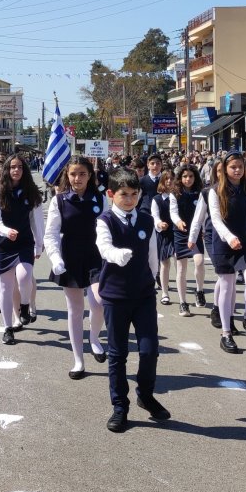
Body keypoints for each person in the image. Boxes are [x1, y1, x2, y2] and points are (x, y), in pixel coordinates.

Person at [95, 167, 167, 432]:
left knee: (149, 350)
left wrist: (154, 278)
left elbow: (152, 254)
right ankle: (119, 406)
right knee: (118, 354)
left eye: (134, 194)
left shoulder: (146, 220)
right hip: (116, 296)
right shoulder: (105, 220)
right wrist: (116, 255)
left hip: (144, 294)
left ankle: (145, 395)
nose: (129, 199)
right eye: (124, 194)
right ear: (112, 194)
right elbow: (103, 247)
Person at [43, 156, 107, 379]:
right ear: (67, 176)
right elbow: (50, 234)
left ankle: (95, 338)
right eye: (73, 174)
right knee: (75, 310)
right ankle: (78, 359)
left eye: (82, 174)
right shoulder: (58, 200)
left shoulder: (100, 198)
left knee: (99, 303)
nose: (77, 178)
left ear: (90, 175)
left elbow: (108, 228)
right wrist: (55, 258)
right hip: (70, 256)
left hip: (96, 256)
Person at [206, 152, 246, 353]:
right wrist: (229, 237)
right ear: (225, 169)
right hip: (224, 242)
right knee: (227, 285)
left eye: (240, 167)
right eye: (233, 167)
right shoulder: (215, 191)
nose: (237, 171)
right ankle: (226, 333)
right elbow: (216, 219)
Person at [0, 154, 44, 345]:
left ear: (24, 170)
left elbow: (37, 221)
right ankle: (8, 328)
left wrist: (39, 244)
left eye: (20, 167)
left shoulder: (31, 193)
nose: (16, 170)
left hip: (24, 242)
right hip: (3, 245)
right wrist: (6, 231)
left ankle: (23, 306)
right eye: (12, 167)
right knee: (5, 288)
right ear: (7, 170)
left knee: (24, 276)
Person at [169, 164, 206, 316]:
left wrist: (203, 228)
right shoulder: (175, 194)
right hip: (180, 232)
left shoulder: (201, 193)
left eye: (191, 176)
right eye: (184, 176)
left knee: (199, 261)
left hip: (196, 232)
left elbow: (205, 213)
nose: (188, 179)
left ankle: (199, 290)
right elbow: (173, 212)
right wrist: (178, 222)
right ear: (180, 178)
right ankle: (183, 302)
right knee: (181, 268)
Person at [150, 170, 177, 307]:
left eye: (172, 178)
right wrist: (159, 223)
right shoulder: (157, 199)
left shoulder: (179, 197)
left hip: (178, 233)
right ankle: (165, 293)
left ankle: (184, 295)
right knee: (165, 263)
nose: (169, 181)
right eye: (166, 179)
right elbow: (154, 216)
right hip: (164, 234)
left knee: (180, 262)